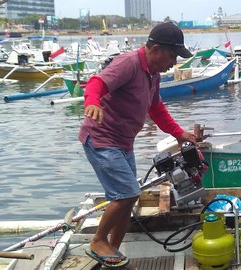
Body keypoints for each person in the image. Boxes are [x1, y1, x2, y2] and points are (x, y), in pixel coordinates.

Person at [78, 22, 195, 268]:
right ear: (154, 49)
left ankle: (112, 252)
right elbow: (96, 83)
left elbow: (156, 109)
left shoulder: (153, 75)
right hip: (101, 139)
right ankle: (98, 241)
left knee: (130, 197)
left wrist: (180, 134)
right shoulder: (129, 63)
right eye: (172, 56)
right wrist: (93, 102)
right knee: (127, 193)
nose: (173, 63)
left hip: (123, 143)